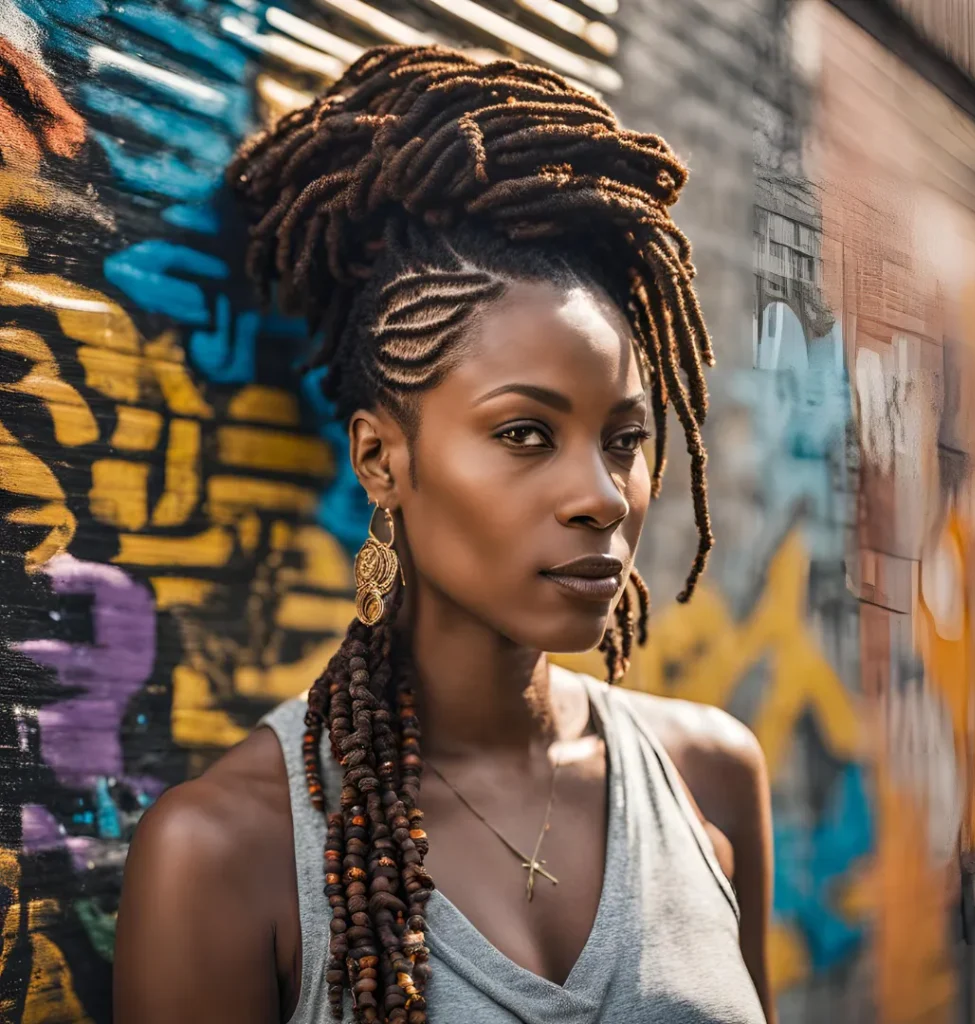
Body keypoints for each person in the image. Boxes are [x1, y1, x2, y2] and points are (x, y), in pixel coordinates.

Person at [113, 44, 773, 1024]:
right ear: (382, 459)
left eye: (625, 439)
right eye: (524, 433)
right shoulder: (227, 851)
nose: (602, 495)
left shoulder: (709, 777)